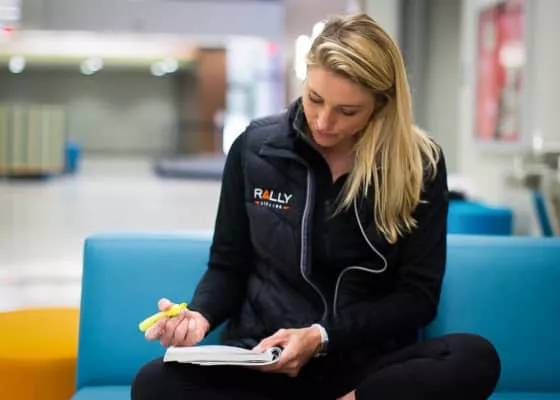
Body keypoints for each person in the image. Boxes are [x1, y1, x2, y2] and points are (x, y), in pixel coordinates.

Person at [131, 13, 501, 400]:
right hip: (266, 358)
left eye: (347, 111)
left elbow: (417, 297)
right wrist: (200, 314)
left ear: (381, 104)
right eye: (315, 99)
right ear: (304, 80)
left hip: (365, 371)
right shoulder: (254, 148)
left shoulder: (420, 165)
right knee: (154, 383)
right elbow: (228, 264)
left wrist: (322, 336)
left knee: (474, 357)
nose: (323, 122)